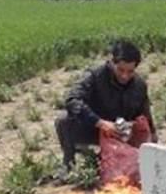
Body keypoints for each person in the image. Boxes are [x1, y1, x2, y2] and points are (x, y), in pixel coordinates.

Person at [54, 40, 158, 178]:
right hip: (94, 127)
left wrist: (152, 136)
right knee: (63, 121)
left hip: (121, 133)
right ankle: (69, 164)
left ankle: (119, 164)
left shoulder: (139, 86)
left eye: (130, 71)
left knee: (135, 167)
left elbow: (145, 114)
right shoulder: (95, 76)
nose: (125, 76)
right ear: (112, 62)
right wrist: (101, 123)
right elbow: (72, 99)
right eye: (120, 70)